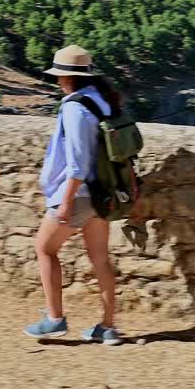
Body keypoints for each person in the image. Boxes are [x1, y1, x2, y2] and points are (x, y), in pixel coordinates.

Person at [23, 45, 124, 346]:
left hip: (78, 193)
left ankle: (54, 319)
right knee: (100, 259)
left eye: (58, 76)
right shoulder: (102, 101)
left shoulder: (74, 107)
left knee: (44, 249)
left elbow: (77, 162)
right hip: (102, 193)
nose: (57, 82)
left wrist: (65, 199)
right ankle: (107, 327)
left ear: (65, 78)